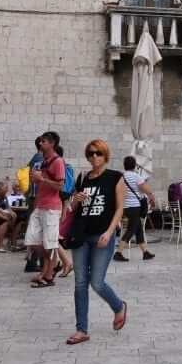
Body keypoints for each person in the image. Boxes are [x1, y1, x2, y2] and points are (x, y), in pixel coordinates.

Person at [65, 139, 127, 345]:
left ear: (105, 155)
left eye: (98, 153)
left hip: (102, 234)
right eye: (90, 154)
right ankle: (81, 329)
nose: (94, 157)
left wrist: (110, 232)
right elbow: (71, 207)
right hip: (81, 234)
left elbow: (120, 209)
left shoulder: (115, 178)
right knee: (80, 283)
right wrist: (76, 200)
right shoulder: (83, 177)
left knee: (97, 282)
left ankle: (119, 306)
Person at [26, 132, 66, 288]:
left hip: (51, 208)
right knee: (33, 240)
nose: (40, 144)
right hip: (40, 206)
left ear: (52, 143)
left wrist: (41, 179)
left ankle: (48, 276)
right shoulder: (44, 161)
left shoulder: (58, 162)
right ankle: (51, 266)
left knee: (49, 242)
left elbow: (60, 185)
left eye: (43, 141)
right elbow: (41, 186)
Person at [116, 156, 156, 262]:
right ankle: (118, 253)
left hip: (125, 207)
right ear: (134, 165)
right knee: (131, 230)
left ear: (125, 165)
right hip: (134, 206)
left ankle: (145, 252)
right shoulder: (136, 176)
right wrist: (152, 197)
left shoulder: (122, 177)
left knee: (138, 230)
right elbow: (146, 189)